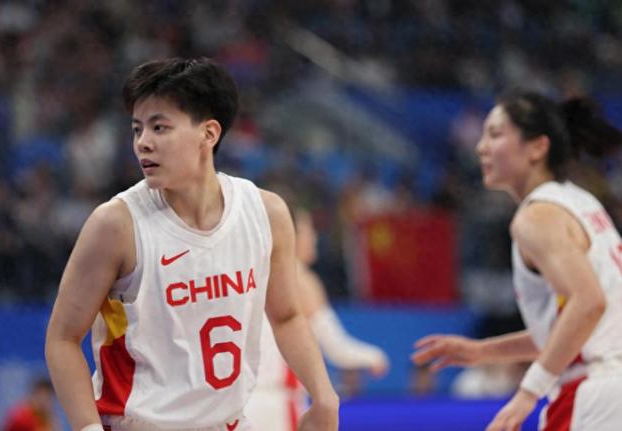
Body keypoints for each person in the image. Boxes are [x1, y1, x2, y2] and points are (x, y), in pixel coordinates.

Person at [45, 57, 339, 431]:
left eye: (159, 127)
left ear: (209, 133)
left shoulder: (266, 213)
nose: (143, 142)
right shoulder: (115, 225)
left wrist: (324, 395)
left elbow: (287, 316)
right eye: (137, 129)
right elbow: (62, 338)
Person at [412, 91, 622, 430]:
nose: (481, 147)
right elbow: (572, 330)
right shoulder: (581, 202)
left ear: (537, 147)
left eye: (495, 134)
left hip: (595, 393)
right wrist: (482, 352)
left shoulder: (537, 216)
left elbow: (588, 303)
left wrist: (528, 392)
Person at [245, 208, 389, 431]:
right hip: (278, 402)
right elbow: (338, 349)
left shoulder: (247, 270)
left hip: (239, 403)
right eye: (309, 230)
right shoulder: (299, 277)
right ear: (289, 233)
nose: (314, 237)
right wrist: (375, 357)